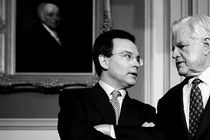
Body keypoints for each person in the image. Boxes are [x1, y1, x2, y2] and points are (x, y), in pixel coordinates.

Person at [57, 29, 165, 140]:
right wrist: (136, 134)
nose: (136, 64)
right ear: (104, 61)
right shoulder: (74, 99)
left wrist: (109, 130)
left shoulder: (145, 110)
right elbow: (75, 135)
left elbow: (158, 136)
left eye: (138, 59)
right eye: (128, 56)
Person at [155, 15, 210, 140]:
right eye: (173, 49)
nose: (174, 55)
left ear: (206, 45)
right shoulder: (167, 101)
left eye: (181, 46)